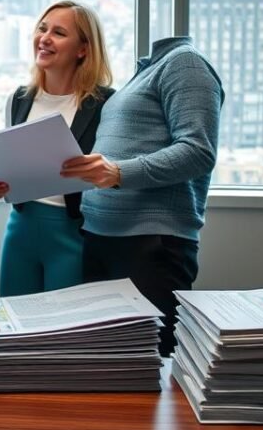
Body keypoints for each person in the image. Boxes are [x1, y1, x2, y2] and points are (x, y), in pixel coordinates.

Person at [60, 36, 224, 354]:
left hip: (148, 245)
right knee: (108, 361)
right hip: (101, 239)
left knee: (148, 361)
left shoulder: (184, 62)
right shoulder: (145, 72)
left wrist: (119, 173)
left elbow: (198, 151)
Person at [0, 0, 114, 297]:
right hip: (20, 230)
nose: (45, 38)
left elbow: (110, 174)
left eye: (58, 32)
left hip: (73, 234)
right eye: (42, 29)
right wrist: (0, 186)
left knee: (64, 335)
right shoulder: (19, 98)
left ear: (83, 49)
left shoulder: (104, 104)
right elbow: (13, 173)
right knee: (15, 328)